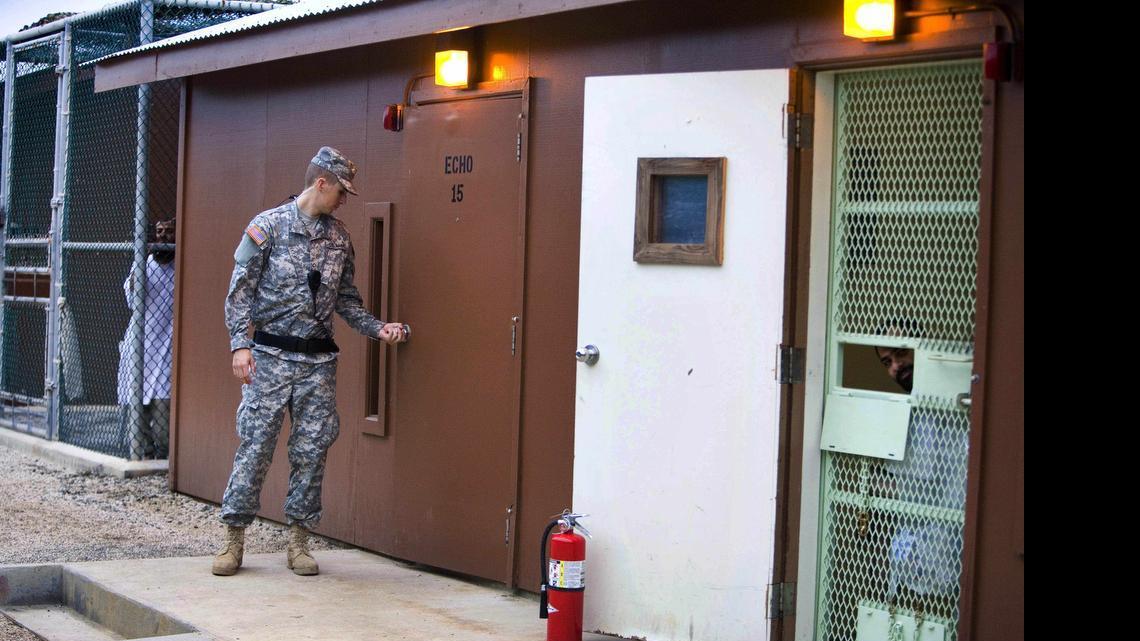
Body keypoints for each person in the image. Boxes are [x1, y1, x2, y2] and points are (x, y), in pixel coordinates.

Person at [213, 147, 407, 577]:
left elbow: (347, 301)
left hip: (317, 363)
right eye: (342, 191)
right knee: (256, 446)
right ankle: (233, 539)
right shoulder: (268, 227)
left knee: (312, 450)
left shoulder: (339, 238)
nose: (344, 200)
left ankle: (299, 542)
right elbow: (239, 291)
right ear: (321, 183)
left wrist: (378, 328)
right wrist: (238, 346)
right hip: (267, 357)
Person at [873, 333, 968, 620]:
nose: (895, 367)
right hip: (922, 544)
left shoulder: (964, 396)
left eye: (901, 354)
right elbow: (900, 482)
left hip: (963, 537)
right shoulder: (906, 412)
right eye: (887, 362)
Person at [116, 219, 176, 459]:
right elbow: (132, 299)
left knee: (163, 421)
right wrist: (141, 260)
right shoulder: (145, 265)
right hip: (140, 344)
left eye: (169, 232)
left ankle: (163, 456)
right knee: (136, 409)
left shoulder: (182, 266)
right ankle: (145, 454)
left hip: (166, 348)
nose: (163, 237)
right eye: (159, 232)